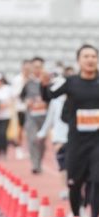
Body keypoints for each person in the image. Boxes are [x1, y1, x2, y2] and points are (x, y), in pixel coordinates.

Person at [44, 44, 99, 217]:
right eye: (86, 56)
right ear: (79, 61)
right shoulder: (70, 82)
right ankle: (77, 216)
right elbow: (49, 94)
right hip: (76, 143)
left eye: (93, 56)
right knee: (75, 185)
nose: (90, 59)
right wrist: (46, 83)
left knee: (97, 179)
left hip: (97, 143)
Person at [37, 66, 74, 200]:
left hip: (74, 137)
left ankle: (74, 189)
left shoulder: (76, 99)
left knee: (74, 166)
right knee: (62, 166)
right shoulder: (55, 101)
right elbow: (50, 119)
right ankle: (66, 189)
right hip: (59, 137)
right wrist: (42, 133)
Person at [21, 56, 48, 173]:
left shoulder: (47, 82)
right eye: (35, 67)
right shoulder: (28, 83)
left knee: (41, 141)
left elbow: (52, 97)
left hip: (44, 116)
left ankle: (39, 162)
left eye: (39, 67)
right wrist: (27, 101)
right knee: (32, 140)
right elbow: (22, 96)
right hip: (31, 116)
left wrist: (45, 102)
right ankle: (35, 165)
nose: (37, 69)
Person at [11, 59, 31, 156]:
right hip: (21, 108)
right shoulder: (17, 79)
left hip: (32, 109)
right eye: (25, 68)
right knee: (20, 128)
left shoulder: (33, 79)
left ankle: (29, 149)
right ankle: (18, 148)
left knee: (31, 130)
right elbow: (14, 94)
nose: (27, 70)